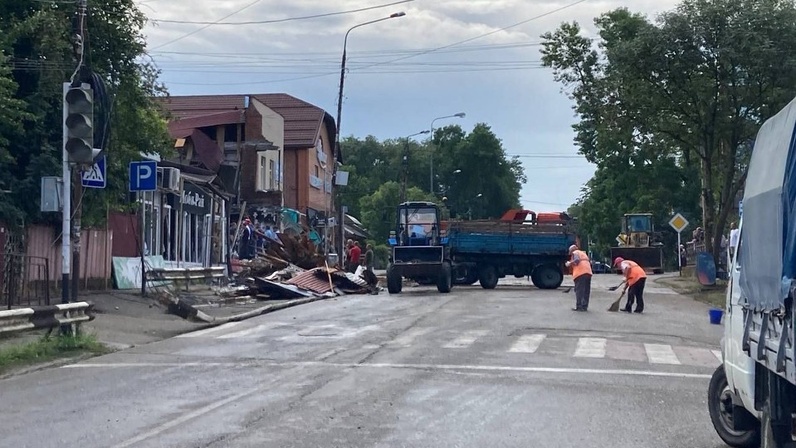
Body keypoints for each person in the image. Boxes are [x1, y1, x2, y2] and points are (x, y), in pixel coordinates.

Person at [565, 244, 592, 311]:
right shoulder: (583, 253)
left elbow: (577, 260)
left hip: (580, 273)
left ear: (572, 250)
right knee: (586, 290)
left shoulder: (575, 252)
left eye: (570, 252)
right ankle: (584, 306)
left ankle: (579, 306)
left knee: (579, 290)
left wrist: (569, 263)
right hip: (588, 272)